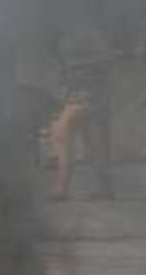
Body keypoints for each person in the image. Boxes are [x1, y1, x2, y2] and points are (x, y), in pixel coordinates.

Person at [49, 20, 114, 202]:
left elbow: (106, 59)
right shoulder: (62, 37)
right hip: (72, 96)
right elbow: (60, 69)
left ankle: (104, 188)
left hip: (92, 97)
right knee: (64, 142)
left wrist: (78, 65)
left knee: (95, 144)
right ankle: (61, 190)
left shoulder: (90, 32)